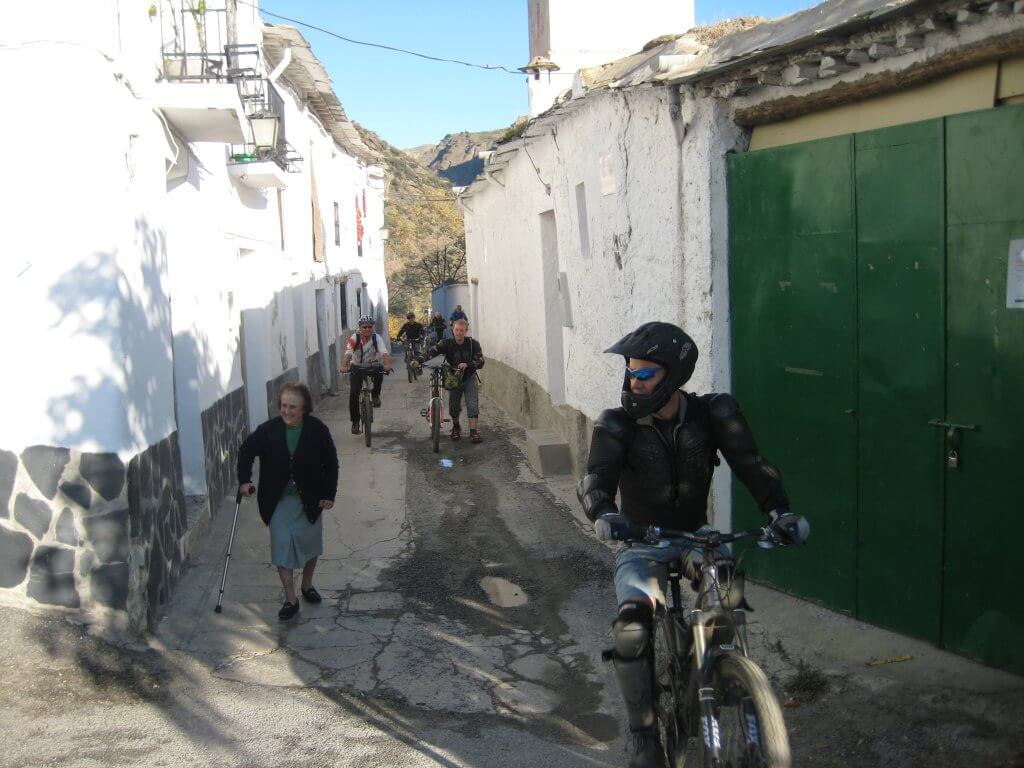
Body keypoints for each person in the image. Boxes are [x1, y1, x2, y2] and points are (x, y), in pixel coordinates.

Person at [576, 322, 808, 768]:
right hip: (640, 543)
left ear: (673, 377)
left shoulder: (714, 413)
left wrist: (780, 512)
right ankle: (645, 738)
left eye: (644, 374)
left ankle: (725, 672)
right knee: (631, 630)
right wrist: (604, 514)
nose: (632, 382)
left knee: (724, 592)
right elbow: (595, 481)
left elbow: (752, 465)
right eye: (629, 371)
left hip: (694, 537)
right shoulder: (616, 424)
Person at [238, 382, 339, 621]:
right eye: (283, 405)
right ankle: (290, 599)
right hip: (277, 500)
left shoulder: (317, 430)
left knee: (310, 545)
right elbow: (246, 451)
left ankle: (307, 585)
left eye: (292, 406)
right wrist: (244, 480)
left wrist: (328, 493)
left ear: (304, 408)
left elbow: (331, 463)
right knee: (282, 546)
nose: (286, 411)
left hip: (311, 498)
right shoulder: (269, 430)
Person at [412, 318, 485, 443]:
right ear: (453, 330)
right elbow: (431, 352)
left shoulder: (473, 344)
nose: (459, 333)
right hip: (453, 378)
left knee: (472, 404)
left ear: (466, 330)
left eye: (462, 330)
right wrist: (418, 360)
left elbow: (481, 362)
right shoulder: (446, 343)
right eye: (457, 330)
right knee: (454, 407)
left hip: (469, 377)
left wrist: (468, 364)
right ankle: (456, 427)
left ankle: (474, 432)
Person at [341, 315, 392, 434]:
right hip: (357, 366)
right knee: (354, 393)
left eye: (370, 327)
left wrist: (387, 364)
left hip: (371, 365)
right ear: (359, 328)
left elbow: (384, 352)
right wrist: (344, 366)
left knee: (380, 370)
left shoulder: (376, 338)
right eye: (364, 327)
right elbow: (348, 353)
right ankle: (355, 421)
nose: (367, 329)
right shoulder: (354, 338)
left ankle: (375, 395)